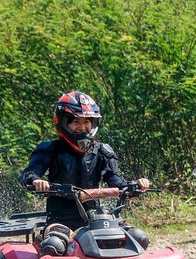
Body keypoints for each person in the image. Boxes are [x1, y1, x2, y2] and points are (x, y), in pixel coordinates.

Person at [20, 90, 150, 231]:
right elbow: (28, 174)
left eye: (86, 121)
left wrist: (134, 187)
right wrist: (35, 180)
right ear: (62, 122)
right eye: (76, 121)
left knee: (136, 236)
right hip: (59, 222)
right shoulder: (50, 149)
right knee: (55, 245)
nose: (82, 127)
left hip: (95, 218)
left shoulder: (102, 151)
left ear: (93, 123)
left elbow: (115, 180)